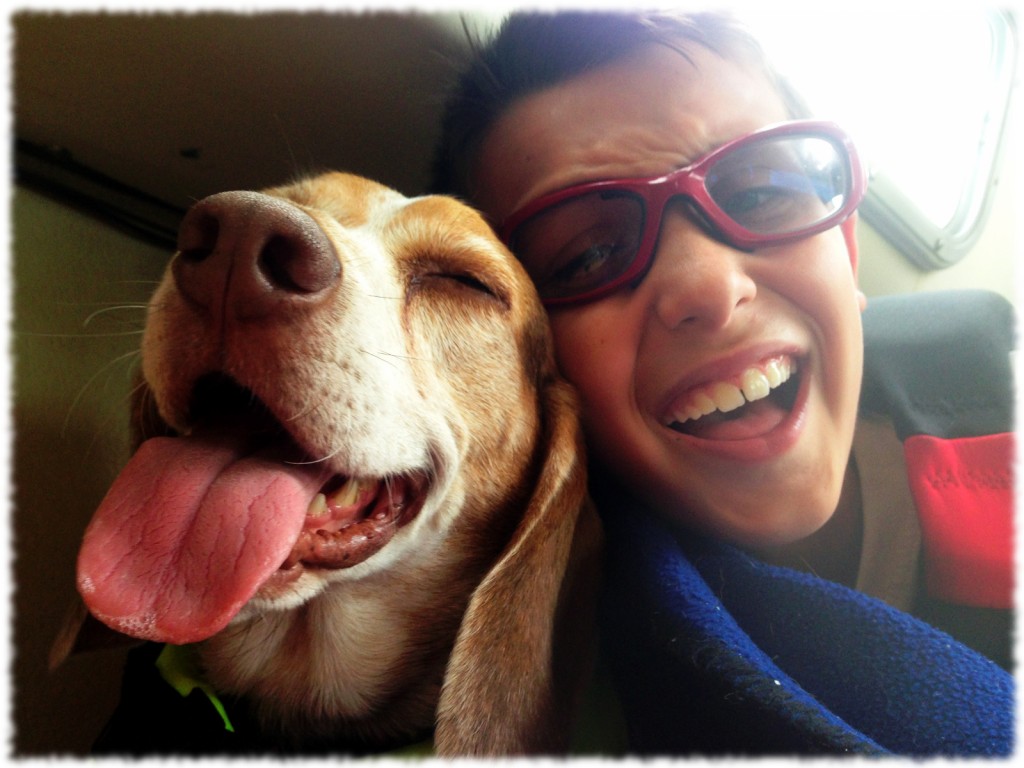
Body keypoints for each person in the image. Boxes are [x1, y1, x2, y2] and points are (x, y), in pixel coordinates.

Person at [431, 9, 1014, 756]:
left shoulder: (999, 395)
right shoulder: (586, 663)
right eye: (583, 257)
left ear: (844, 247)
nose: (708, 285)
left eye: (763, 190)